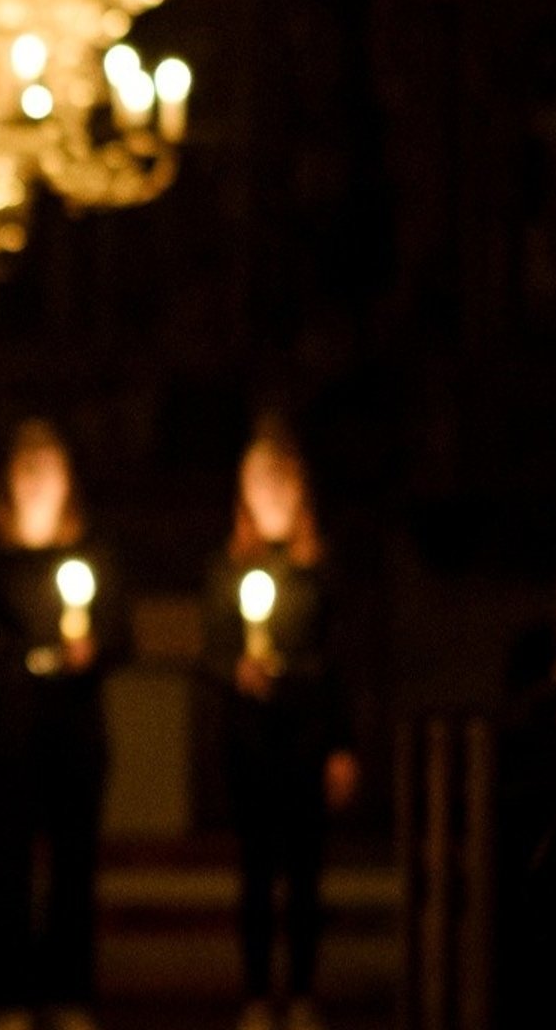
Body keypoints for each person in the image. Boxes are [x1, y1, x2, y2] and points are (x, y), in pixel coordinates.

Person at [0, 420, 128, 1030]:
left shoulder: (94, 555)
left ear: (67, 482)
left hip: (76, 734)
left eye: (47, 469)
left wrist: (93, 648)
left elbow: (121, 638)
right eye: (25, 470)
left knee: (74, 869)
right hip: (9, 735)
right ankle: (8, 999)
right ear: (9, 482)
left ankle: (71, 995)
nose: (36, 481)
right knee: (8, 871)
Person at [203, 423, 356, 1030]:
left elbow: (340, 658)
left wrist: (341, 745)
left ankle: (303, 993)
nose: (269, 492)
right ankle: (255, 994)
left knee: (306, 871)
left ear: (299, 490)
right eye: (258, 479)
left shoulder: (320, 570)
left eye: (280, 479)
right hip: (251, 740)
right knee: (257, 870)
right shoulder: (225, 568)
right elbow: (210, 651)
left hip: (308, 736)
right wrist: (234, 670)